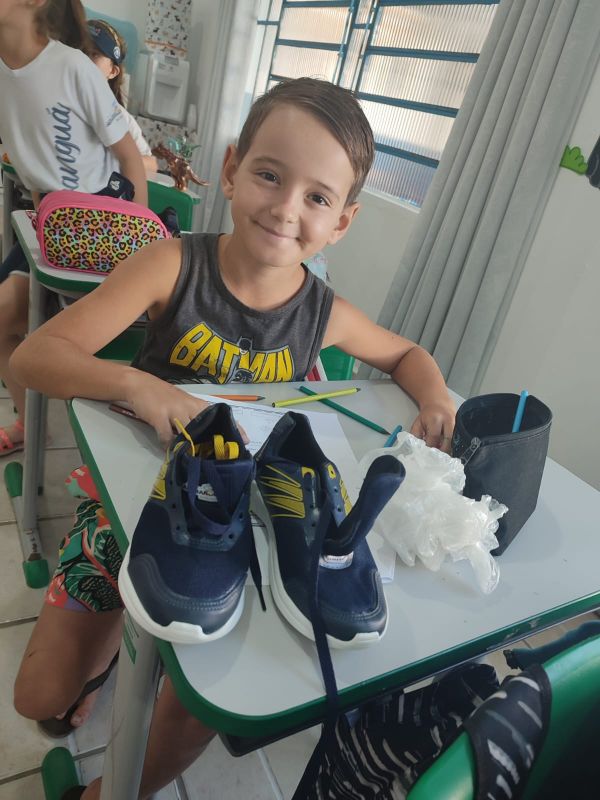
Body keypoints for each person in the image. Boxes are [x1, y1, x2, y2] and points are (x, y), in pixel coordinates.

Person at [11, 77, 456, 799]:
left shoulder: (320, 313)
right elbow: (34, 357)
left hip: (243, 528)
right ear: (230, 169)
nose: (285, 209)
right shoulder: (171, 265)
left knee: (212, 693)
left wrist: (433, 395)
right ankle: (114, 648)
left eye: (317, 197)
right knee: (41, 702)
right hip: (137, 499)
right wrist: (138, 384)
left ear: (342, 222)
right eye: (269, 176)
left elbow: (407, 354)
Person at [0, 0, 147, 457]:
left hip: (104, 218)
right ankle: (30, 425)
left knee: (85, 344)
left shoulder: (73, 67)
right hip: (48, 221)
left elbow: (131, 159)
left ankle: (109, 455)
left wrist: (140, 251)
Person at [86, 18, 158, 173]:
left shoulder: (119, 117)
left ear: (113, 71)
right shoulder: (55, 98)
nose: (85, 59)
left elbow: (151, 164)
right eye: (81, 51)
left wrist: (108, 162)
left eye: (94, 54)